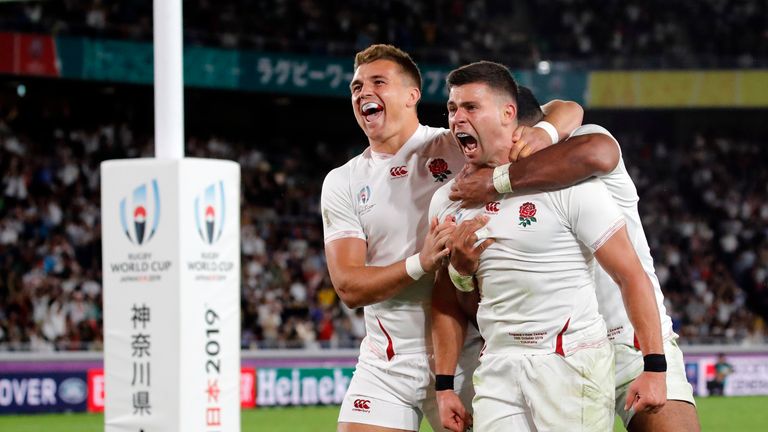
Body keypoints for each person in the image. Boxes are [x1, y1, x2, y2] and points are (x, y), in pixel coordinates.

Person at [321, 45, 583, 432]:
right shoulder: (343, 180)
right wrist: (420, 263)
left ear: (413, 95)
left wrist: (541, 134)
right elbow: (348, 287)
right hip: (387, 360)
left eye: (378, 82)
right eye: (356, 86)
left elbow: (569, 109)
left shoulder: (458, 145)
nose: (363, 93)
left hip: (468, 355)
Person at [447, 84, 700, 432]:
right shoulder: (477, 200)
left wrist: (499, 178)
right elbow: (477, 309)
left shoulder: (578, 147)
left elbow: (595, 150)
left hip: (632, 337)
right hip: (556, 356)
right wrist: (461, 272)